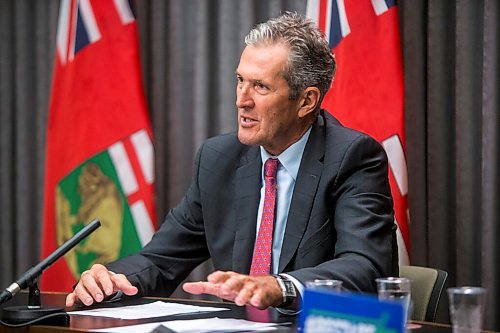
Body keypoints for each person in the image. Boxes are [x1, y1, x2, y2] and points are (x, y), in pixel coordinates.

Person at [66, 12, 397, 312]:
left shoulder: (353, 157)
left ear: (306, 101)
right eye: (240, 80)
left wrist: (279, 286)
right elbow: (162, 259)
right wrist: (110, 280)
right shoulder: (219, 158)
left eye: (260, 87)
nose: (241, 100)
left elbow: (366, 266)